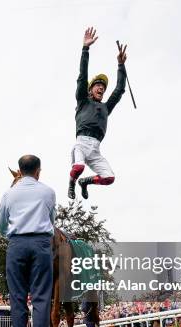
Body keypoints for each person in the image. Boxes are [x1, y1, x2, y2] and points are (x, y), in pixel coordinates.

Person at [0, 154, 56, 327]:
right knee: (41, 299)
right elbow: (52, 220)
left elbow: (0, 224)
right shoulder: (48, 192)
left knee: (17, 298)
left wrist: (13, 235)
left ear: (19, 171)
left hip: (17, 245)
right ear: (39, 171)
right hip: (41, 244)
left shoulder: (9, 194)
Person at [68, 27, 128, 200]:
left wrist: (121, 65)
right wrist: (85, 49)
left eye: (103, 86)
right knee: (78, 168)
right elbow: (82, 75)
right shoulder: (82, 100)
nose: (101, 87)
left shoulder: (106, 107)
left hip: (95, 149)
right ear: (90, 89)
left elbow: (119, 89)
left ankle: (84, 183)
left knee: (109, 178)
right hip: (81, 143)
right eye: (97, 85)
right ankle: (72, 182)